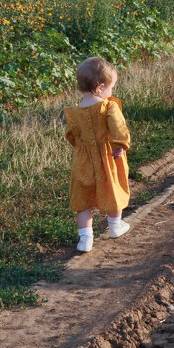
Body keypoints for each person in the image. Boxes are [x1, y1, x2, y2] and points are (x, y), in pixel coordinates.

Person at [65, 56, 132, 253]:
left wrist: (82, 148)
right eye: (111, 87)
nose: (111, 92)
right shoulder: (108, 106)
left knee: (83, 197)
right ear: (101, 87)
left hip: (83, 159)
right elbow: (118, 126)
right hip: (108, 156)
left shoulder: (75, 111)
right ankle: (115, 226)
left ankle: (85, 239)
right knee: (113, 187)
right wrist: (120, 144)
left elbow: (71, 135)